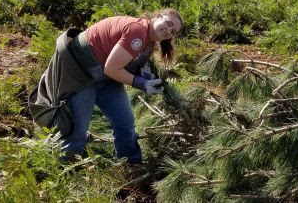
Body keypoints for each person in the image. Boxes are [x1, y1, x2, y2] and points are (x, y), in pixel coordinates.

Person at [29, 9, 183, 164]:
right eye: (168, 23)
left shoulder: (149, 43)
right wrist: (141, 83)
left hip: (105, 78)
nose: (169, 30)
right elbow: (112, 69)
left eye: (173, 31)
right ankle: (63, 171)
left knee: (125, 123)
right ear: (157, 17)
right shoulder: (137, 31)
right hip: (79, 73)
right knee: (77, 131)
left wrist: (146, 75)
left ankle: (130, 165)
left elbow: (118, 67)